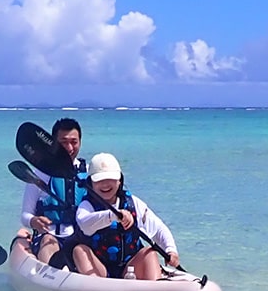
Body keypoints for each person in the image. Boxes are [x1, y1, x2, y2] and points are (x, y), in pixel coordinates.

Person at [73, 153, 180, 281]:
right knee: (79, 251)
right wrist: (113, 215)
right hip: (99, 269)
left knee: (150, 252)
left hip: (130, 268)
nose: (105, 184)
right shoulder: (86, 205)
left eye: (111, 179)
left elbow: (158, 229)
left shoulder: (133, 203)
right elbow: (85, 224)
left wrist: (170, 250)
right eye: (99, 180)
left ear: (119, 181)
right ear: (90, 183)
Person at [19, 117, 88, 267]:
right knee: (48, 242)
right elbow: (25, 215)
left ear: (80, 142)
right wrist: (34, 221)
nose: (69, 148)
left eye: (74, 142)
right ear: (53, 144)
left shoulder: (88, 172)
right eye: (63, 142)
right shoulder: (41, 175)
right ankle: (51, 278)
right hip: (50, 236)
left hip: (81, 238)